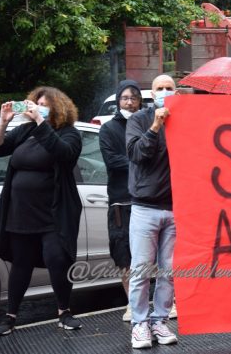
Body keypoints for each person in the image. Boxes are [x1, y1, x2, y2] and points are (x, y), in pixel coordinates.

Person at [0, 87, 83, 336]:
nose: (38, 107)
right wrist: (3, 122)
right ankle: (10, 316)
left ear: (58, 107)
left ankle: (64, 312)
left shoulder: (69, 133)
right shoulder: (25, 130)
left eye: (45, 104)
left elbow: (63, 153)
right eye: (36, 103)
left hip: (53, 214)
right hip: (21, 213)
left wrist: (41, 120)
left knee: (57, 259)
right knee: (21, 263)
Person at [126, 74, 178, 349]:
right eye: (160, 88)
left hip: (175, 208)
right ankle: (140, 325)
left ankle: (160, 320)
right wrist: (156, 125)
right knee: (141, 270)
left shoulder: (184, 118)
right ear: (151, 92)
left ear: (176, 90)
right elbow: (136, 154)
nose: (165, 91)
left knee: (169, 272)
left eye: (169, 87)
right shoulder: (138, 120)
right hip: (145, 207)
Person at [99, 80, 142, 322]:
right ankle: (132, 304)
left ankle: (155, 302)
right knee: (123, 254)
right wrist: (140, 159)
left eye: (134, 98)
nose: (129, 102)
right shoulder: (108, 129)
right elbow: (112, 161)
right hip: (121, 202)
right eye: (125, 97)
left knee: (149, 255)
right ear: (118, 100)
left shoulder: (147, 124)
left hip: (147, 199)